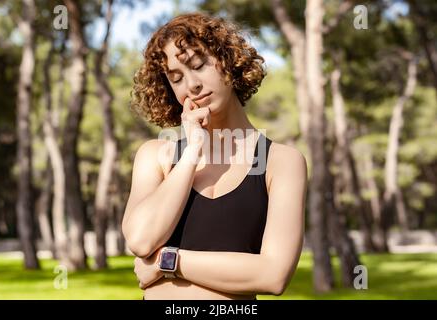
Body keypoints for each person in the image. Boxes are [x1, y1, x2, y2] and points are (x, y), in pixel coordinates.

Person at [122, 12, 307, 300]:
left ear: (228, 62)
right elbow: (141, 240)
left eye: (198, 65)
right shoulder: (157, 155)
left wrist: (168, 262)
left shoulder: (281, 162)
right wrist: (193, 150)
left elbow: (273, 275)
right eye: (176, 78)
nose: (192, 84)